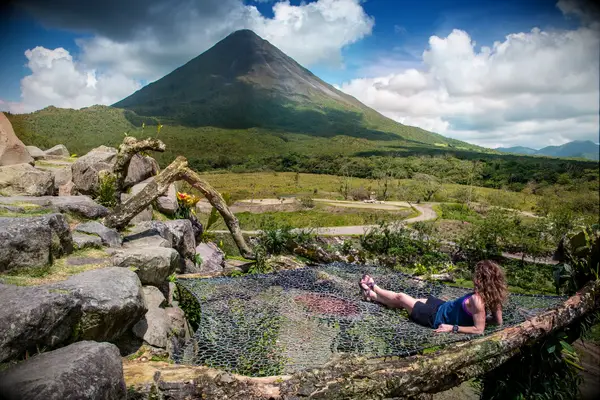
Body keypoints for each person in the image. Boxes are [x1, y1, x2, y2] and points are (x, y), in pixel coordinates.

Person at [359, 260, 508, 334]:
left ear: (481, 279)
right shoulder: (494, 298)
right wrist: (477, 317)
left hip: (435, 318)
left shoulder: (477, 300)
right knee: (406, 301)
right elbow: (497, 321)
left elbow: (479, 329)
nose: (473, 279)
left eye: (476, 276)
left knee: (401, 298)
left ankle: (374, 287)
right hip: (442, 307)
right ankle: (371, 295)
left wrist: (453, 327)